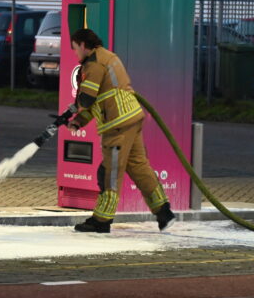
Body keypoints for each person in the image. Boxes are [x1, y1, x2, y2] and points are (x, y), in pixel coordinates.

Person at [66, 28, 175, 233]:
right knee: (138, 166)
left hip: (117, 125)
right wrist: (78, 121)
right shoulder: (108, 56)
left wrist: (73, 108)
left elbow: (87, 99)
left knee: (109, 173)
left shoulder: (94, 64)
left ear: (82, 44)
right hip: (131, 118)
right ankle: (164, 211)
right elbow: (101, 99)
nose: (75, 53)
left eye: (75, 48)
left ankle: (101, 220)